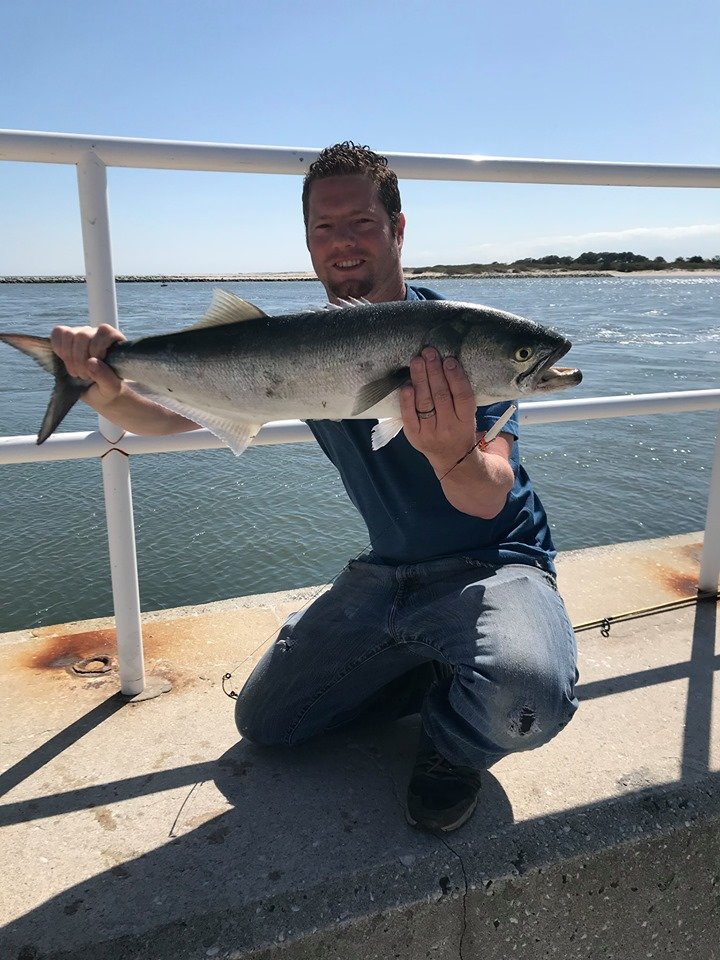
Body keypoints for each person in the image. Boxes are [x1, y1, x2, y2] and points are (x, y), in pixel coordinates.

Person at [50, 142, 578, 833]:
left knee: (526, 702)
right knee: (270, 722)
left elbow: (488, 496)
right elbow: (159, 416)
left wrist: (451, 453)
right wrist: (100, 383)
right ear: (306, 241)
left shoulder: (456, 338)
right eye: (324, 228)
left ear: (398, 228)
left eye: (362, 222)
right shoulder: (299, 347)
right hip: (386, 575)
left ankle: (453, 747)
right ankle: (431, 670)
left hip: (496, 564)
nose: (344, 243)